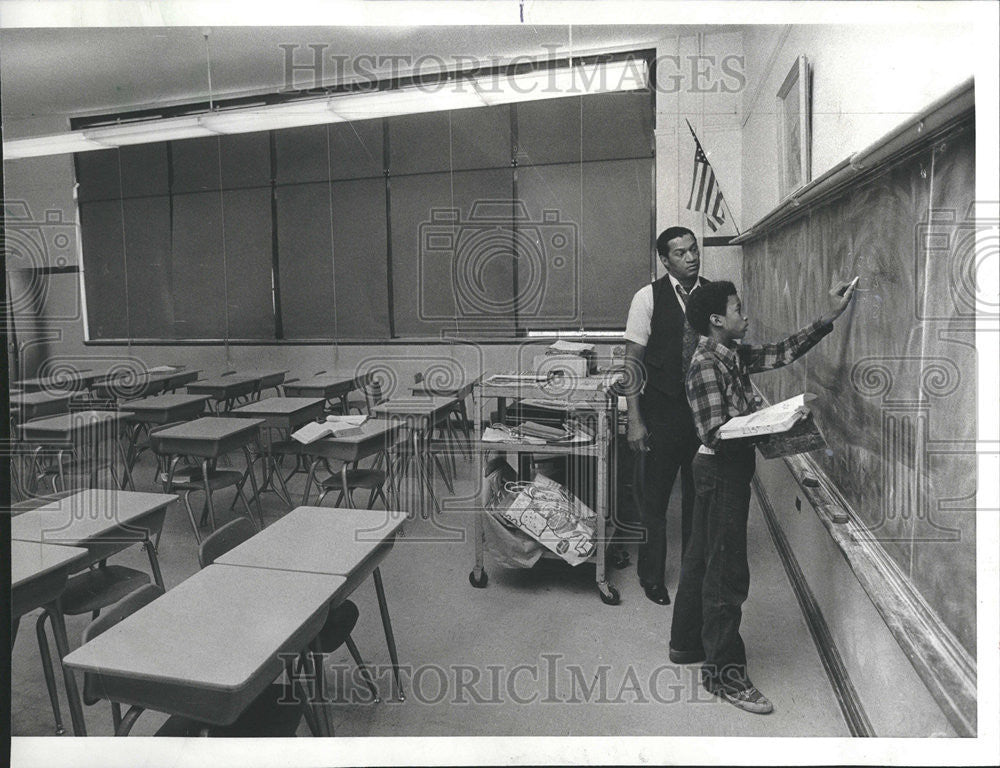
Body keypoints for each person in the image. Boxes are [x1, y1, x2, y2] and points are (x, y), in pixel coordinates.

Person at [668, 277, 856, 714]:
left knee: (701, 561)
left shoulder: (729, 352)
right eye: (738, 309)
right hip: (720, 471)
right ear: (717, 320)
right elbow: (716, 432)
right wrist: (776, 421)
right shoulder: (705, 364)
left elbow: (782, 352)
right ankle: (724, 675)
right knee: (726, 576)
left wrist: (827, 318)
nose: (745, 314)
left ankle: (685, 645)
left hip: (722, 470)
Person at [623, 226, 707, 605]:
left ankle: (695, 574)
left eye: (693, 250)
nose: (691, 257)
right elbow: (632, 363)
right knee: (654, 502)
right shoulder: (647, 298)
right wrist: (635, 420)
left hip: (703, 415)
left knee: (699, 499)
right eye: (680, 253)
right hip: (661, 412)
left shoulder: (713, 295)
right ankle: (651, 577)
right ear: (664, 260)